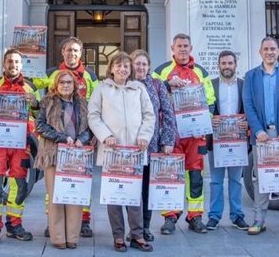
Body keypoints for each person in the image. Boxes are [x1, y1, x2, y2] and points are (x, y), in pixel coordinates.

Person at [88, 52, 156, 253]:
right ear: (111, 68)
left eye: (126, 66)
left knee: (134, 195)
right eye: (118, 65)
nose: (122, 69)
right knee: (114, 196)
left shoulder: (139, 88)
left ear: (130, 69)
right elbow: (93, 115)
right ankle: (118, 236)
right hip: (113, 150)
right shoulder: (101, 89)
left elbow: (149, 115)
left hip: (135, 150)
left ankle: (137, 235)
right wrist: (105, 135)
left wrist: (144, 136)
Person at [34, 36, 99, 238]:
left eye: (75, 50)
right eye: (68, 50)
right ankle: (52, 223)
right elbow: (33, 90)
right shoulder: (50, 73)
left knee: (80, 181)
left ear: (81, 53)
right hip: (56, 141)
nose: (72, 53)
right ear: (62, 52)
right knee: (53, 187)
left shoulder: (90, 75)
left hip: (81, 139)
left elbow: (96, 104)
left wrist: (92, 134)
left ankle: (83, 221)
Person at [152, 34, 215, 235]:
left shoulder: (201, 72)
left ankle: (195, 216)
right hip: (172, 134)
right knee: (170, 175)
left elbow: (211, 101)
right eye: (179, 46)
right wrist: (168, 85)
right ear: (172, 48)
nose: (182, 49)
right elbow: (150, 94)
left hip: (195, 136)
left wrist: (203, 123)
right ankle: (170, 216)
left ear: (191, 47)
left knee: (196, 176)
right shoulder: (161, 71)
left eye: (186, 45)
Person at [242, 36, 279, 236]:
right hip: (262, 136)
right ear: (260, 52)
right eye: (266, 49)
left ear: (278, 51)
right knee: (260, 179)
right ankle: (259, 219)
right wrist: (257, 130)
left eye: (273, 49)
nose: (269, 52)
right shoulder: (251, 76)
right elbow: (248, 105)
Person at [0, 49, 40, 246]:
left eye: (16, 62)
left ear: (21, 65)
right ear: (3, 64)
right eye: (9, 61)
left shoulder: (31, 87)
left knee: (19, 186)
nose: (13, 65)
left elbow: (39, 116)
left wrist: (36, 104)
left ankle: (15, 226)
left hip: (20, 143)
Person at [131, 49, 176, 241]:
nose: (140, 67)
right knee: (131, 189)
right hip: (129, 147)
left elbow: (168, 113)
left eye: (144, 64)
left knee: (146, 190)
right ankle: (133, 228)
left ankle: (145, 227)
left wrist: (167, 141)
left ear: (148, 66)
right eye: (137, 63)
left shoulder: (157, 85)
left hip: (151, 147)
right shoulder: (126, 84)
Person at [206, 50, 249, 231]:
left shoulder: (244, 85)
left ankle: (237, 215)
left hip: (237, 140)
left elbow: (249, 108)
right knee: (216, 180)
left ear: (235, 65)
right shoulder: (210, 85)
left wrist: (247, 122)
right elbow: (204, 108)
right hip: (216, 140)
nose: (227, 66)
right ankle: (214, 216)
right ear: (218, 65)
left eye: (230, 63)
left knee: (236, 180)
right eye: (223, 63)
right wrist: (208, 121)